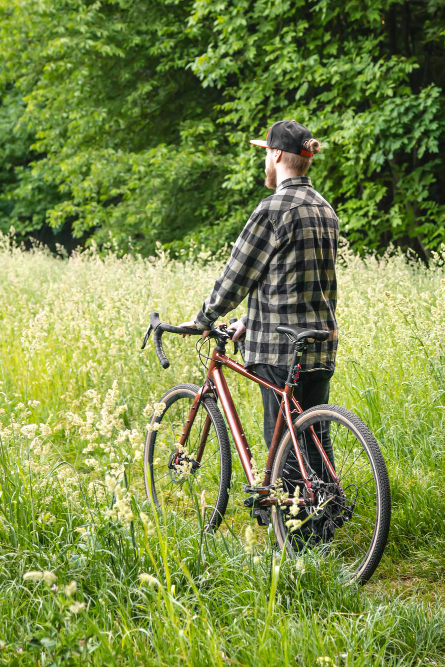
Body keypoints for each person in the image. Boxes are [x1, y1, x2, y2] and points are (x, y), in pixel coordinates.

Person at [179, 119, 340, 542]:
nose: (263, 160)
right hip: (319, 344)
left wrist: (205, 317)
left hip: (278, 350)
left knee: (283, 444)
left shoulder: (273, 209)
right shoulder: (325, 209)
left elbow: (238, 275)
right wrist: (250, 318)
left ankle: (298, 549)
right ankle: (323, 528)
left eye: (264, 152)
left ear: (276, 155)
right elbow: (299, 279)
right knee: (314, 439)